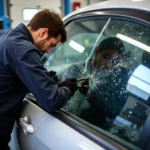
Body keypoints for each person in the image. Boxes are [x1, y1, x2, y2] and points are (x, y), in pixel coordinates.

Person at [0, 9, 78, 150]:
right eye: (52, 45)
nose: (48, 51)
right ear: (43, 32)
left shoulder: (6, 36)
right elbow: (51, 100)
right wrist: (68, 88)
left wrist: (45, 79)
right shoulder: (25, 51)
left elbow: (10, 76)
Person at [62, 37, 129, 127]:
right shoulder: (76, 70)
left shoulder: (111, 83)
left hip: (91, 129)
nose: (109, 65)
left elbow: (114, 111)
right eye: (107, 58)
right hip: (66, 123)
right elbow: (63, 100)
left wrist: (93, 96)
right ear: (97, 51)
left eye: (114, 62)